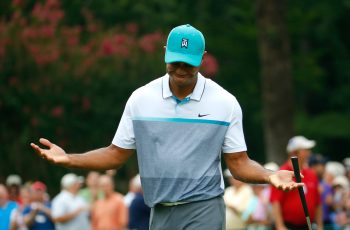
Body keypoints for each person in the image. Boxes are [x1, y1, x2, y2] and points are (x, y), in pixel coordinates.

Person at [31, 24, 304, 230]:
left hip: (204, 207)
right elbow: (116, 154)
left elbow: (238, 163)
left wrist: (270, 175)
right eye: (175, 61)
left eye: (189, 63)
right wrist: (69, 159)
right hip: (159, 210)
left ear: (203, 57)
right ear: (165, 54)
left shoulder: (225, 102)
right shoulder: (141, 99)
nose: (181, 68)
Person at [270, 136, 323, 230]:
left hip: (308, 226)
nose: (309, 153)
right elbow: (275, 202)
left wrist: (320, 226)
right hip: (287, 226)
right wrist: (280, 226)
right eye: (305, 150)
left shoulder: (311, 174)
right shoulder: (281, 173)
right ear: (294, 152)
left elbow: (317, 202)